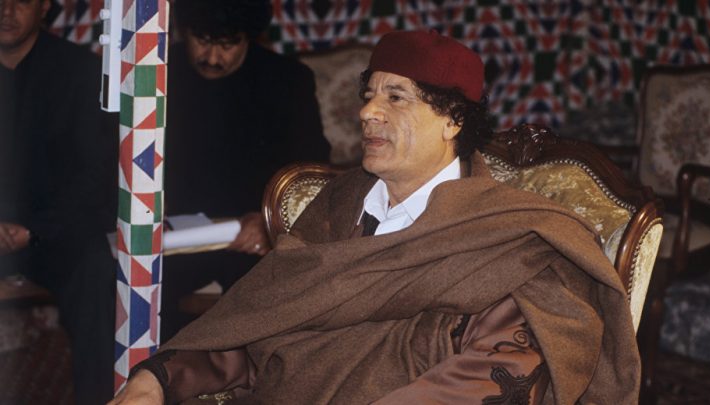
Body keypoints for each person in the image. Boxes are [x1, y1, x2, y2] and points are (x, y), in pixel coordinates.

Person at [110, 30, 640, 404]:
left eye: (396, 97)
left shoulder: (509, 236)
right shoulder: (336, 209)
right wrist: (160, 379)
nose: (367, 112)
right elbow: (259, 332)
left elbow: (497, 374)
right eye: (368, 96)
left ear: (453, 120)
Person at [161, 0, 330, 341]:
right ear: (183, 31)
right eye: (202, 41)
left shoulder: (288, 80)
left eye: (227, 45)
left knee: (272, 298)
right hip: (174, 237)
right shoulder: (158, 74)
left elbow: (310, 172)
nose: (212, 57)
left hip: (252, 236)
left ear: (248, 38)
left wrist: (269, 219)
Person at [0, 0, 118, 404]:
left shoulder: (79, 71)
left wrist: (33, 231)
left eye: (21, 0)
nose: (6, 11)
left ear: (44, 6)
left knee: (94, 268)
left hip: (49, 232)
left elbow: (94, 176)